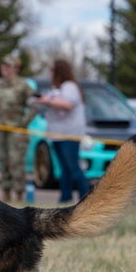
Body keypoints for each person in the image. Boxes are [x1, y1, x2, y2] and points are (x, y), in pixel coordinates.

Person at [36, 59, 90, 203]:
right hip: (58, 134)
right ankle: (65, 198)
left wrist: (47, 101)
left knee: (73, 167)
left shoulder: (69, 86)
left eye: (52, 70)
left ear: (60, 71)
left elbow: (67, 104)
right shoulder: (58, 88)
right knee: (65, 169)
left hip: (69, 134)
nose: (50, 73)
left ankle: (86, 198)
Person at [0, 53, 35, 203]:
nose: (4, 68)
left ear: (16, 68)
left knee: (16, 162)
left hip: (16, 131)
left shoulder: (23, 86)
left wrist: (23, 123)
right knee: (3, 160)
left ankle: (19, 194)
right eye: (3, 65)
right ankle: (6, 193)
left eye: (8, 66)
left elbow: (35, 106)